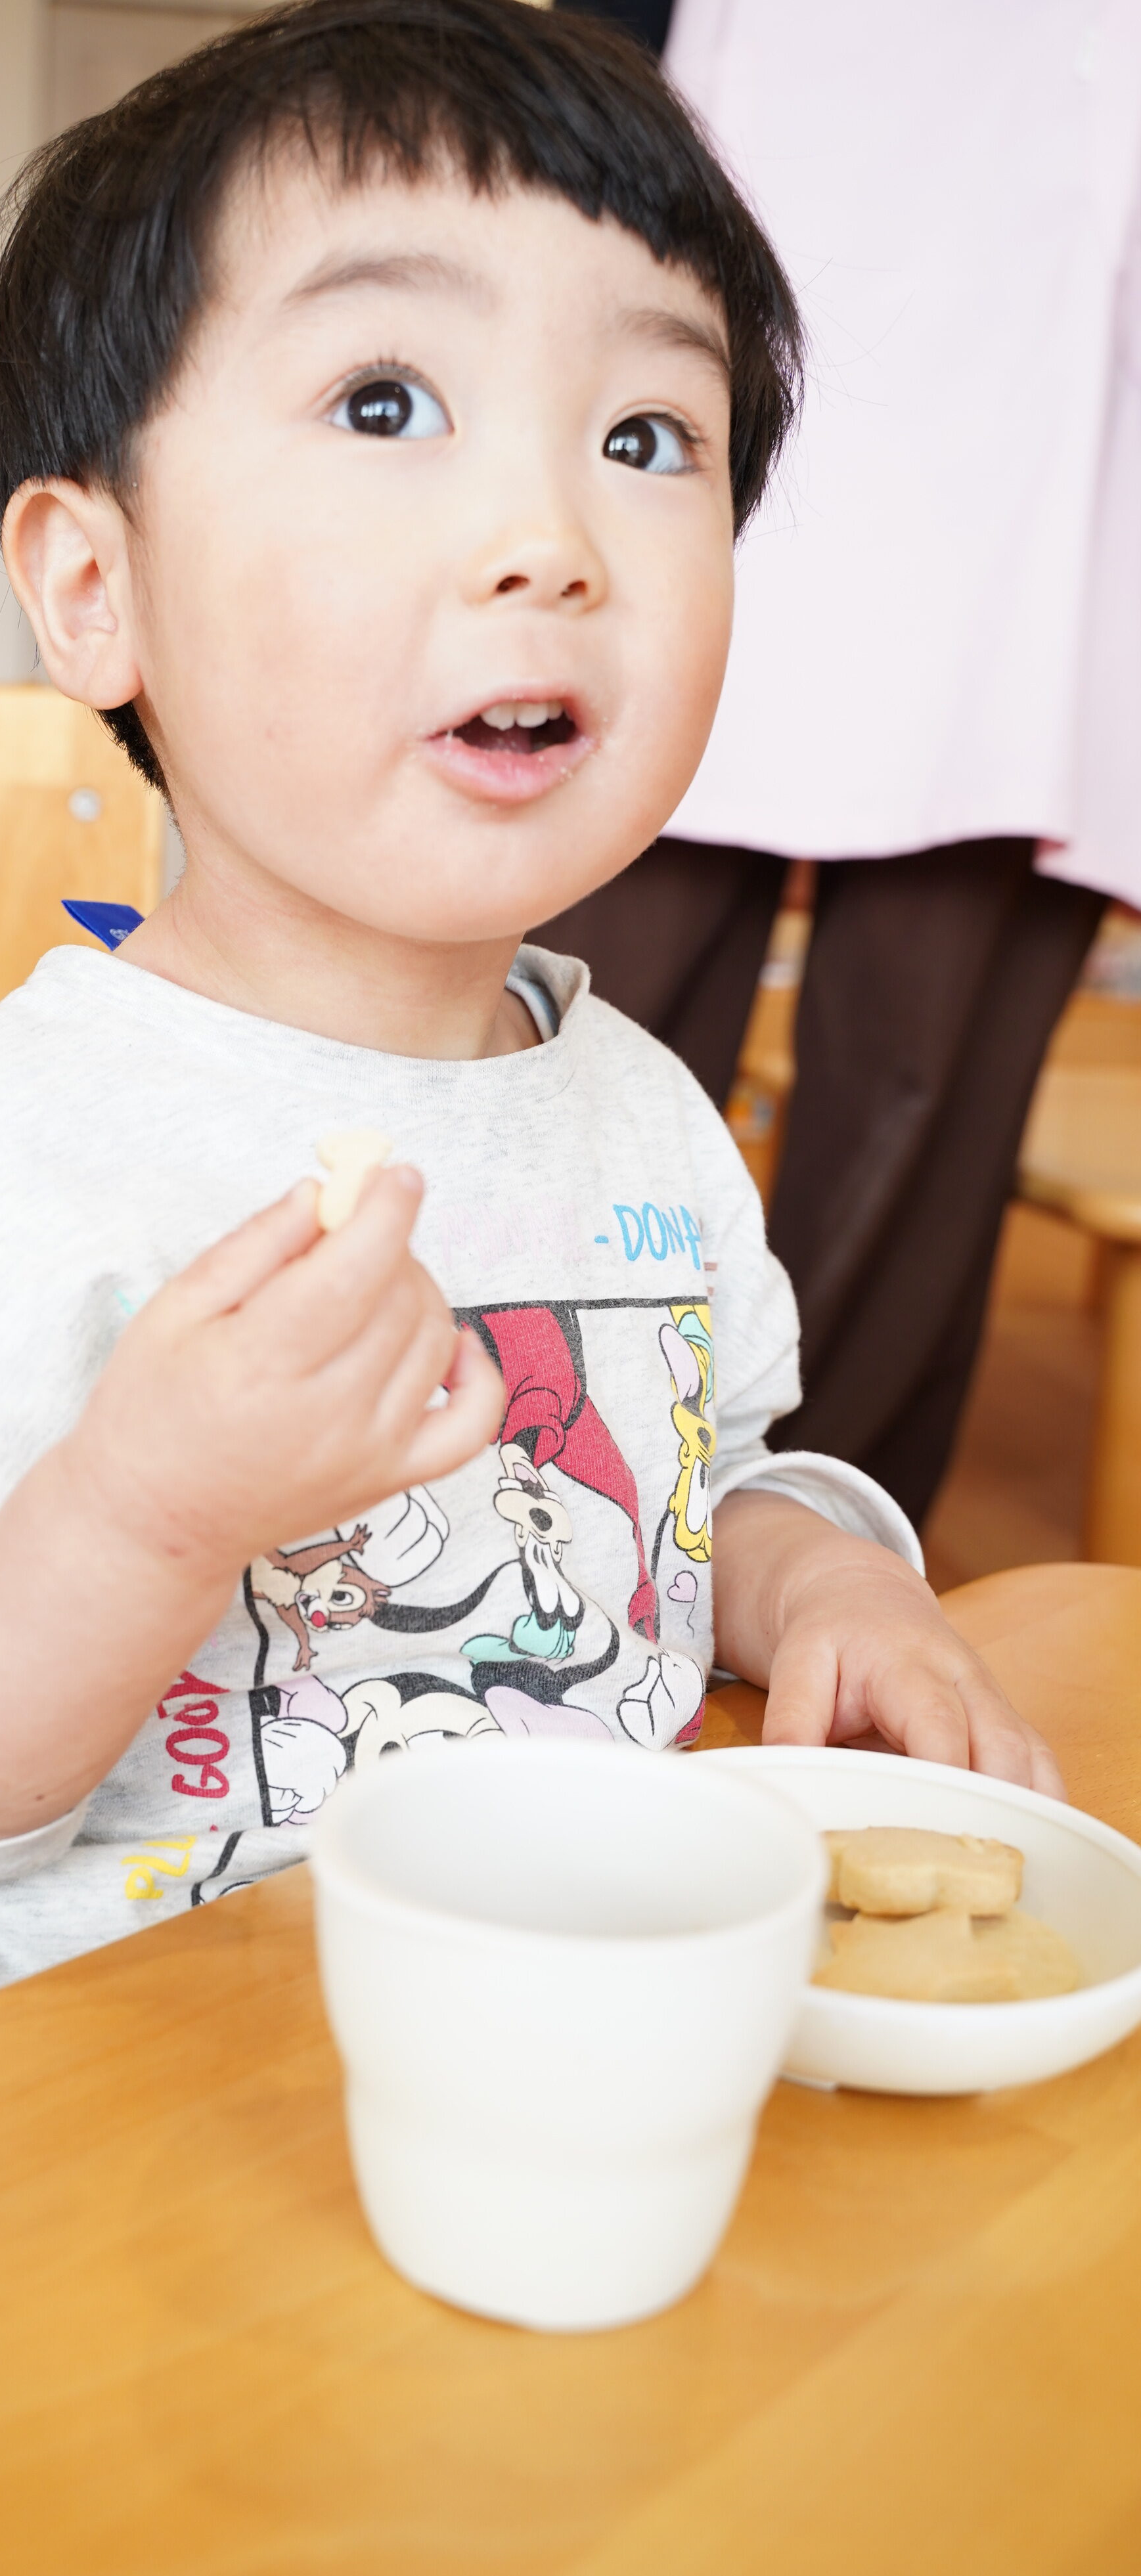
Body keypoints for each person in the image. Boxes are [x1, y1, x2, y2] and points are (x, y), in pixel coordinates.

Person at [0, 0, 1059, 2032]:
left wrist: (831, 1575)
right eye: (388, 401)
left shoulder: (643, 1117)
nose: (550, 543)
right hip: (123, 2149)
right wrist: (141, 1518)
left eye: (646, 438)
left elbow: (710, 1490)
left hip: (585, 2062)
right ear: (93, 588)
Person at [534, 0, 1141, 1529]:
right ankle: (506, 1506)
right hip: (714, 298)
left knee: (919, 1095)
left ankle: (811, 1560)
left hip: (1052, 417)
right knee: (563, 1032)